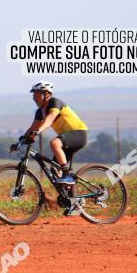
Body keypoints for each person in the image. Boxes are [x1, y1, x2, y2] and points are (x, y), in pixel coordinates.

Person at [21, 81, 89, 212]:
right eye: (33, 95)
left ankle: (68, 175)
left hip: (78, 134)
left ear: (46, 94)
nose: (33, 97)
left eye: (36, 94)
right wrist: (22, 140)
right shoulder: (40, 111)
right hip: (66, 139)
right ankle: (73, 200)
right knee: (54, 171)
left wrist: (38, 131)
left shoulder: (55, 103)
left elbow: (50, 119)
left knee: (54, 143)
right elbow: (32, 128)